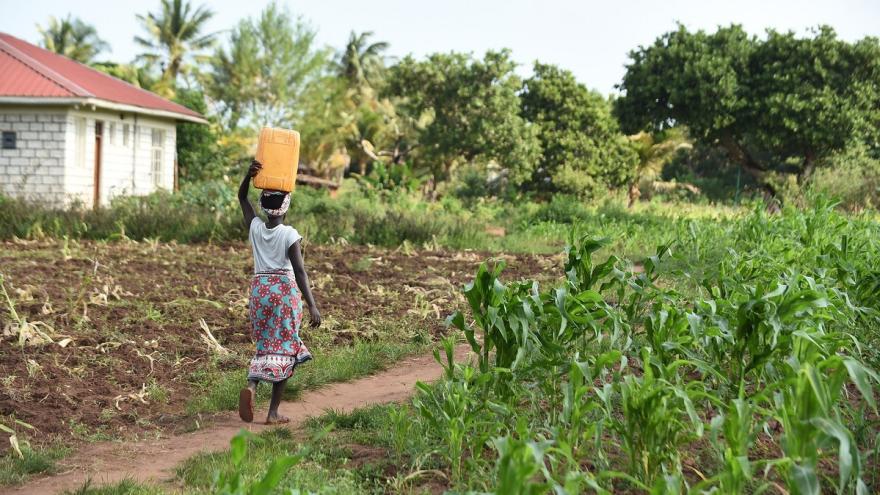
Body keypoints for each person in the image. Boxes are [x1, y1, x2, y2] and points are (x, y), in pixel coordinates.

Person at [237, 159, 321, 424]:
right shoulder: (289, 235)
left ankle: (251, 386)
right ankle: (272, 412)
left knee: (265, 346)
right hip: (284, 293)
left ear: (263, 205)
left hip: (260, 291)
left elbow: (241, 198)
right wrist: (312, 304)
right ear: (286, 206)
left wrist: (248, 177)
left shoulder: (256, 228)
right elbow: (300, 272)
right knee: (286, 348)